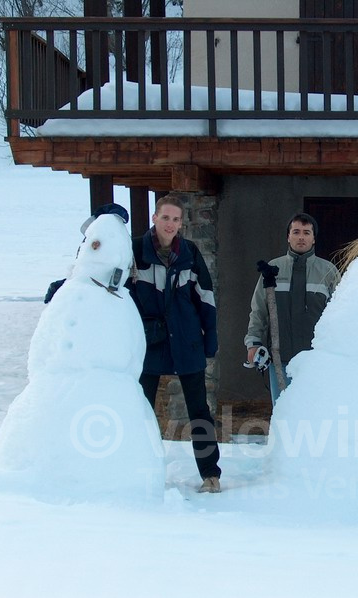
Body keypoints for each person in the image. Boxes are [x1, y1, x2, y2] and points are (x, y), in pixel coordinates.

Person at [127, 195, 222, 493]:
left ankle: (210, 474)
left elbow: (206, 297)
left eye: (176, 219)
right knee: (140, 409)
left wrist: (210, 341)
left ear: (181, 224)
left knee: (199, 411)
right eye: (165, 218)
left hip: (186, 340)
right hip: (149, 343)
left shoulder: (189, 253)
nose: (170, 224)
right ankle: (134, 471)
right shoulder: (134, 251)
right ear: (154, 218)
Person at [244, 213, 341, 405]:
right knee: (283, 413)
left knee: (315, 413)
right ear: (288, 236)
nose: (301, 237)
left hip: (316, 361)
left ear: (314, 238)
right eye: (296, 232)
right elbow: (259, 311)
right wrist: (253, 342)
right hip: (280, 359)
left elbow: (341, 316)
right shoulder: (272, 269)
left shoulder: (328, 272)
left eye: (306, 232)